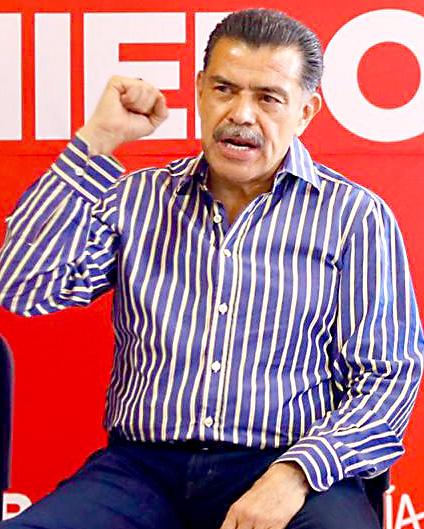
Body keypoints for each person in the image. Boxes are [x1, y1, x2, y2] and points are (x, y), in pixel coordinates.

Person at [0, 8, 422, 529]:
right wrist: (97, 142)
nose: (241, 115)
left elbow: (388, 376)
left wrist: (295, 474)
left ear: (306, 111)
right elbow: (24, 287)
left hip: (288, 464)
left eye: (268, 98)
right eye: (224, 89)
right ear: (200, 91)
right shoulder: (138, 199)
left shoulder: (354, 216)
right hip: (142, 471)